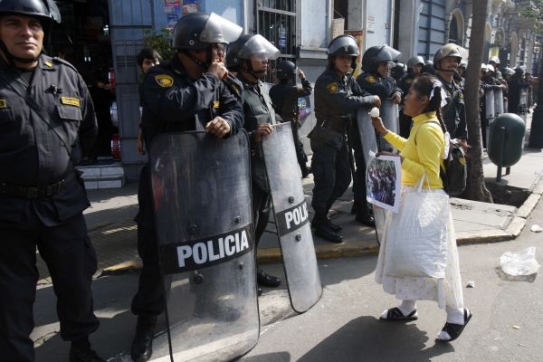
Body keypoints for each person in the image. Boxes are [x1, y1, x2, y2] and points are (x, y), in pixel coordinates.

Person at [131, 12, 243, 362]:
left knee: (206, 247)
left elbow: (237, 109)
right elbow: (177, 105)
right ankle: (147, 323)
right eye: (216, 49)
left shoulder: (217, 79)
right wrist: (212, 78)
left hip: (205, 180)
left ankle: (206, 302)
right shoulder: (160, 78)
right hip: (166, 183)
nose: (221, 56)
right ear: (196, 49)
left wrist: (228, 121)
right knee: (158, 254)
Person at [0, 0, 104, 361]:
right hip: (7, 210)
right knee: (11, 298)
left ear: (45, 32)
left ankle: (81, 347)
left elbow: (88, 132)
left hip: (63, 203)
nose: (26, 33)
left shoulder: (66, 74)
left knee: (76, 282)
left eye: (35, 25)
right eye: (13, 23)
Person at [370, 74, 472, 343]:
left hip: (427, 203)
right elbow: (411, 149)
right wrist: (385, 133)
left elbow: (431, 173)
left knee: (438, 262)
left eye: (410, 94)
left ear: (424, 100)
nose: (404, 98)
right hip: (414, 198)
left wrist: (398, 162)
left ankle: (457, 314)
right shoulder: (420, 123)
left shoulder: (428, 128)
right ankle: (407, 307)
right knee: (407, 258)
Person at [309, 35, 380, 242]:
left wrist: (389, 93)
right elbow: (344, 103)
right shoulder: (327, 81)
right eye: (342, 58)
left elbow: (361, 92)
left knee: (342, 180)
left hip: (340, 137)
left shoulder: (347, 79)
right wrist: (369, 99)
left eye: (349, 59)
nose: (346, 62)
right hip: (325, 137)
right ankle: (320, 221)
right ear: (333, 59)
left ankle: (322, 216)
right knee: (326, 181)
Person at [225, 33, 283, 290]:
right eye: (259, 57)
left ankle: (251, 267)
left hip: (266, 168)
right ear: (243, 61)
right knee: (244, 226)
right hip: (243, 171)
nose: (266, 61)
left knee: (260, 221)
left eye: (266, 57)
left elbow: (267, 115)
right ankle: (238, 277)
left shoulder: (261, 88)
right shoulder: (232, 89)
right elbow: (226, 131)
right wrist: (253, 134)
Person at [354, 45, 402, 226]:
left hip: (377, 133)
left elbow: (394, 88)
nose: (387, 68)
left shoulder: (381, 78)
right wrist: (394, 87)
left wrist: (397, 91)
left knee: (376, 170)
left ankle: (367, 206)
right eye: (383, 65)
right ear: (373, 64)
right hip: (364, 133)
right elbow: (384, 90)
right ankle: (362, 211)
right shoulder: (366, 78)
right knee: (365, 171)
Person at [269, 60, 312, 178]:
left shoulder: (273, 89)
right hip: (290, 123)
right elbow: (308, 90)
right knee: (297, 146)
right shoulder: (293, 90)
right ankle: (304, 169)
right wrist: (303, 77)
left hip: (277, 121)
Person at [433, 44, 468, 150]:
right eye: (448, 60)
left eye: (455, 60)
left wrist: (463, 138)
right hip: (435, 140)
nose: (453, 64)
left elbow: (462, 116)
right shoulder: (432, 86)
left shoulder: (457, 89)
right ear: (439, 63)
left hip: (453, 142)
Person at [135, 47, 162, 155]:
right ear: (141, 66)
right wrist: (140, 139)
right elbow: (143, 113)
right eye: (147, 62)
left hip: (168, 134)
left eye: (155, 62)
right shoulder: (143, 87)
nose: (152, 66)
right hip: (151, 134)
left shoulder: (169, 82)